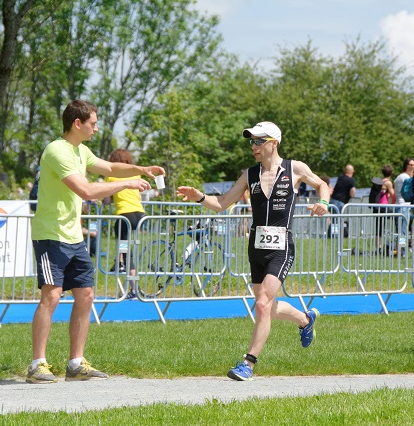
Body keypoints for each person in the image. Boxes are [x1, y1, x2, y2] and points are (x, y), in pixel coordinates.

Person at [177, 121, 330, 381]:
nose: (254, 146)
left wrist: (323, 202)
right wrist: (200, 197)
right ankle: (305, 320)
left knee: (261, 304)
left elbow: (322, 185)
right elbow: (222, 203)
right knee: (265, 306)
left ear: (274, 143)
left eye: (259, 141)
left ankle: (248, 363)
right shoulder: (249, 175)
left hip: (281, 247)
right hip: (256, 247)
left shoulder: (295, 168)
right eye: (252, 142)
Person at [28, 100, 164, 384]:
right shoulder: (57, 150)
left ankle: (76, 363)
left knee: (86, 294)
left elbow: (111, 166)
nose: (96, 128)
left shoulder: (81, 150)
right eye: (93, 123)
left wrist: (141, 169)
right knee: (52, 296)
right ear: (77, 123)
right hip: (51, 235)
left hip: (73, 236)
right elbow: (87, 190)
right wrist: (127, 183)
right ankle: (37, 364)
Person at [103, 149, 147, 298]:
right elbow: (138, 197)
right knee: (129, 250)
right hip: (140, 214)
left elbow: (106, 199)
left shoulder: (111, 176)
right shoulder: (135, 175)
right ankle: (121, 263)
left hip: (124, 215)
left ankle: (131, 283)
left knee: (126, 250)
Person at [329, 164, 356, 237]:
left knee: (334, 220)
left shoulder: (340, 177)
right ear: (352, 171)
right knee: (337, 220)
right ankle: (334, 236)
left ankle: (332, 235)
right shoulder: (351, 180)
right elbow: (353, 191)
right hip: (340, 202)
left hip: (332, 201)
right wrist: (352, 196)